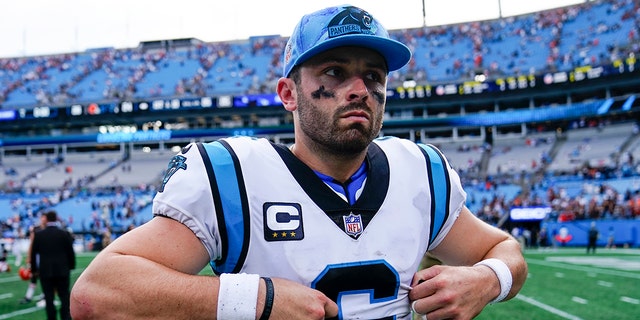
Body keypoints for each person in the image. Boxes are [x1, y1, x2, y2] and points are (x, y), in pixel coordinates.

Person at [71, 5, 527, 319]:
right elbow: (98, 294)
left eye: (373, 76)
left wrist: (487, 280)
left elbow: (505, 250)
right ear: (288, 94)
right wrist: (257, 300)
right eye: (335, 72)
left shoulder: (419, 172)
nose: (359, 89)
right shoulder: (235, 175)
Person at [31, 210, 76, 320]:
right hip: (62, 270)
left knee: (48, 297)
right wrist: (71, 265)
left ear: (46, 219)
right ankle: (65, 316)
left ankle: (51, 318)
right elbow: (70, 252)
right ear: (56, 218)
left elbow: (33, 254)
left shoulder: (39, 234)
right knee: (64, 296)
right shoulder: (64, 233)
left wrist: (34, 270)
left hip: (45, 271)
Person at [19, 214, 46, 305]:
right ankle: (29, 296)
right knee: (34, 276)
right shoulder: (36, 229)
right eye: (42, 217)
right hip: (37, 255)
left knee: (44, 277)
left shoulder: (49, 229)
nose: (43, 219)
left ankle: (43, 295)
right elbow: (32, 243)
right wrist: (29, 257)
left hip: (45, 256)